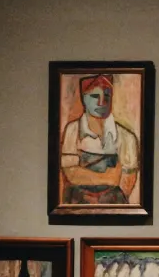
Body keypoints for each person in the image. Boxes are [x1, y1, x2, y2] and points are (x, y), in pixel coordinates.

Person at [60, 74, 141, 205]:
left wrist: (84, 175)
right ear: (84, 98)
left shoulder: (127, 137)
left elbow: (127, 181)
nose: (101, 102)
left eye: (107, 96)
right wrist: (109, 177)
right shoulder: (73, 130)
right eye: (94, 96)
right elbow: (71, 175)